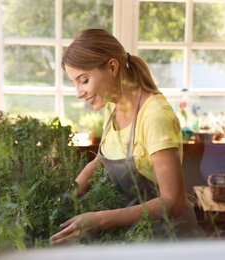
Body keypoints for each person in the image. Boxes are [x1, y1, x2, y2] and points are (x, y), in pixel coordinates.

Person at [50, 28, 197, 245]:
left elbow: (173, 202)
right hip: (139, 236)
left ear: (112, 67)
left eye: (84, 80)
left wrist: (102, 220)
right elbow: (102, 160)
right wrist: (65, 198)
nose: (78, 92)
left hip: (168, 240)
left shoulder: (155, 117)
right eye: (74, 83)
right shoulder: (113, 106)